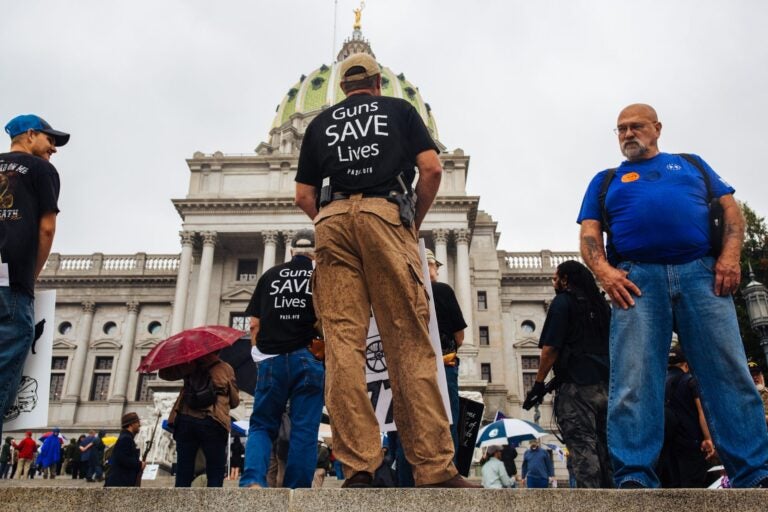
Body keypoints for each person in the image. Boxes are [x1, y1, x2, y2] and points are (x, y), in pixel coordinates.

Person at [295, 52, 475, 489]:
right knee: (409, 344)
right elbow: (431, 169)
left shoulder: (320, 125)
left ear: (342, 87)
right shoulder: (398, 109)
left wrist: (330, 219)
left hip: (331, 220)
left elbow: (303, 195)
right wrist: (412, 222)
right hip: (384, 213)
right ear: (377, 84)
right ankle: (433, 467)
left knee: (342, 349)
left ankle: (359, 467)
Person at [577, 103, 768, 488]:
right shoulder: (605, 179)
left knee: (728, 372)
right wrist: (606, 273)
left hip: (702, 274)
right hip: (636, 280)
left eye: (635, 126)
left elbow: (731, 212)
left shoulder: (691, 164)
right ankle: (634, 476)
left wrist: (730, 257)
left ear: (657, 128)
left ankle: (754, 472)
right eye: (620, 129)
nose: (627, 134)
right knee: (634, 379)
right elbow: (589, 233)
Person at [240, 229, 324, 489]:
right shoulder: (320, 276)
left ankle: (253, 481)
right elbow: (327, 320)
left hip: (271, 359)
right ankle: (296, 489)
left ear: (290, 251)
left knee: (263, 425)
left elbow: (254, 324)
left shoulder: (269, 275)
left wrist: (259, 355)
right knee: (305, 428)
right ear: (316, 252)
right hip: (308, 358)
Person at [0, 115, 67, 437]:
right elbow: (46, 227)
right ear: (29, 135)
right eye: (49, 139)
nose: (53, 148)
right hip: (10, 279)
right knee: (8, 356)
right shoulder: (42, 171)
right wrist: (31, 275)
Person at [523, 260, 613, 488]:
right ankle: (614, 498)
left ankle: (591, 503)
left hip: (577, 387)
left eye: (555, 278)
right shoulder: (602, 305)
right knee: (606, 446)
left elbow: (550, 349)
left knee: (583, 446)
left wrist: (539, 383)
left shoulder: (563, 302)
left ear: (565, 280)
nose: (553, 282)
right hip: (607, 386)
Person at [395, 248, 467, 487]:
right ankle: (447, 475)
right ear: (429, 267)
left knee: (408, 422)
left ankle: (406, 480)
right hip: (442, 367)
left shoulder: (401, 293)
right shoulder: (442, 291)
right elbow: (459, 336)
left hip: (408, 367)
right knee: (447, 420)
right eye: (435, 266)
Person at [160, 352, 239, 487]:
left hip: (186, 419)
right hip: (214, 420)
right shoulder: (225, 368)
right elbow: (235, 401)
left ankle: (180, 503)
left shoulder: (189, 363)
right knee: (215, 468)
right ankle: (212, 504)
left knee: (184, 467)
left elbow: (164, 374)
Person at [657, 346, 715, 488]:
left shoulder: (658, 383)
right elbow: (701, 411)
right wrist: (708, 439)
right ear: (686, 365)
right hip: (691, 443)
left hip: (666, 445)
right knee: (693, 488)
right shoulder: (690, 381)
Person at [104, 412, 145, 487]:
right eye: (137, 422)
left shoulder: (126, 437)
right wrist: (139, 464)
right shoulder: (126, 438)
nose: (139, 425)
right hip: (119, 483)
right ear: (131, 424)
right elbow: (123, 459)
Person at [748, 359, 768, 426]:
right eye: (751, 375)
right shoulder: (743, 397)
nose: (755, 377)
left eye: (757, 374)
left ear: (761, 375)